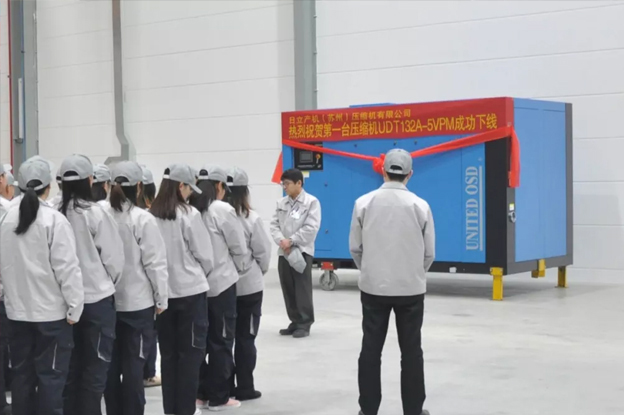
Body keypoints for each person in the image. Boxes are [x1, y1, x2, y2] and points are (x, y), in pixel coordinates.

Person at [349, 149, 435, 415]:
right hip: (410, 290)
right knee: (411, 352)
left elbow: (355, 248)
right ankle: (413, 410)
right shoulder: (420, 206)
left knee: (370, 350)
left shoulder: (363, 203)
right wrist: (413, 273)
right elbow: (429, 253)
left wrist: (371, 271)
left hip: (374, 289)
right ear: (410, 174)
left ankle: (368, 410)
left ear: (383, 171)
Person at [0, 157, 84, 415]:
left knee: (22, 380)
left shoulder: (5, 220)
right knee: (51, 382)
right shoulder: (54, 221)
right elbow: (67, 269)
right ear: (49, 186)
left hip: (17, 315)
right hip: (52, 318)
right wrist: (75, 308)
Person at [58, 154, 125, 415]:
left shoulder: (53, 212)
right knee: (95, 372)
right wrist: (105, 282)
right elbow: (114, 259)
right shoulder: (95, 213)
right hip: (97, 304)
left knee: (70, 372)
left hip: (63, 304)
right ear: (90, 180)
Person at [103, 161, 169, 415]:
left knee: (109, 366)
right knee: (133, 367)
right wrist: (161, 299)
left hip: (106, 303)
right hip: (138, 305)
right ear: (139, 186)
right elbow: (155, 263)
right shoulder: (142, 219)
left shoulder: (100, 214)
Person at [150, 164, 212, 415]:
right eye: (189, 188)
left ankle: (171, 410)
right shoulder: (189, 214)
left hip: (162, 296)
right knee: (190, 356)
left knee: (168, 355)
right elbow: (205, 255)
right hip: (190, 293)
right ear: (180, 186)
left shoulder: (150, 215)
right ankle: (185, 410)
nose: (190, 194)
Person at [190, 166, 247, 411]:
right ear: (220, 186)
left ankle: (200, 394)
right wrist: (239, 268)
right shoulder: (221, 210)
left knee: (199, 343)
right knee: (221, 342)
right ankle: (219, 397)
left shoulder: (190, 209)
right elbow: (239, 247)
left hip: (196, 288)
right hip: (222, 286)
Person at [227, 167, 271, 402]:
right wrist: (256, 271)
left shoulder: (214, 216)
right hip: (249, 289)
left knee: (223, 340)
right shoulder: (251, 218)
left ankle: (223, 386)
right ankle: (245, 386)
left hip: (222, 288)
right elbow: (263, 251)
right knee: (246, 338)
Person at [270, 168, 321, 338]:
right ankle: (294, 320)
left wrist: (291, 240)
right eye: (283, 184)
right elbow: (274, 225)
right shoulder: (281, 203)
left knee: (302, 288)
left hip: (302, 251)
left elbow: (311, 228)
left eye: (287, 183)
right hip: (284, 251)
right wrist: (281, 241)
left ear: (299, 183)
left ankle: (305, 323)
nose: (284, 187)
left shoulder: (311, 202)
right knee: (288, 287)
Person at [138, 165, 161, 388]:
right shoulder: (148, 216)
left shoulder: (108, 213)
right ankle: (148, 374)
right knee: (148, 332)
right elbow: (154, 259)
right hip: (143, 288)